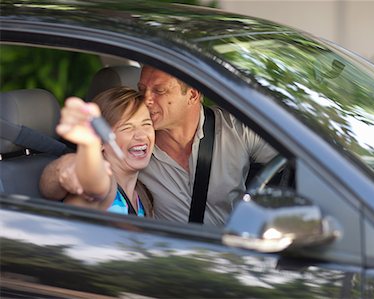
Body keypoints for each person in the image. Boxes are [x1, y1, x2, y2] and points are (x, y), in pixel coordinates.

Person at [40, 65, 276, 226]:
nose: (147, 100)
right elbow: (93, 185)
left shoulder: (142, 196)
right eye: (142, 90)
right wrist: (75, 160)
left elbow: (300, 159)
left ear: (193, 95)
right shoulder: (110, 180)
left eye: (159, 91)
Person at [49, 86, 155, 217]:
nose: (141, 135)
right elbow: (95, 187)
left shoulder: (142, 194)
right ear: (101, 141)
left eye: (147, 124)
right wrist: (89, 145)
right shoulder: (107, 190)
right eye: (126, 128)